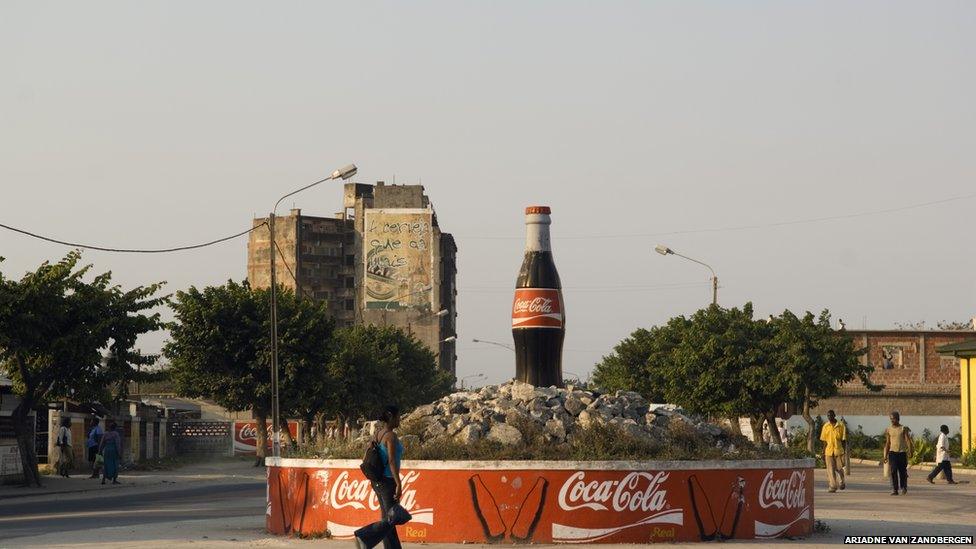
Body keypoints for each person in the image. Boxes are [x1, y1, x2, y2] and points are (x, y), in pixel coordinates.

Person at [354, 405, 404, 549]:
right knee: (391, 518)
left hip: (377, 482)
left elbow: (366, 455)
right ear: (391, 417)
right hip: (388, 481)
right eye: (398, 416)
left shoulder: (377, 434)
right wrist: (398, 483)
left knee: (388, 518)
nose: (399, 419)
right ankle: (363, 535)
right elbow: (392, 461)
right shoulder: (391, 436)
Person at [883, 411, 913, 495]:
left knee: (902, 471)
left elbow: (907, 440)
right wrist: (885, 455)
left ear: (898, 419)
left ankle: (904, 487)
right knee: (893, 471)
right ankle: (894, 489)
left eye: (894, 419)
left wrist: (910, 451)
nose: (892, 420)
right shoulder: (888, 429)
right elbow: (888, 443)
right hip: (892, 453)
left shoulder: (903, 428)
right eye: (891, 419)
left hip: (902, 453)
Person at [819, 410, 846, 493]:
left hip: (839, 451)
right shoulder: (825, 426)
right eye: (828, 416)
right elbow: (824, 440)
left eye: (831, 415)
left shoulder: (841, 426)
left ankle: (842, 481)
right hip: (829, 451)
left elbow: (844, 440)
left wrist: (844, 451)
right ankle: (833, 486)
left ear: (834, 415)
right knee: (830, 470)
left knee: (839, 469)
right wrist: (823, 452)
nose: (829, 417)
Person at [99, 421, 123, 485]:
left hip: (107, 450)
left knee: (106, 465)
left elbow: (102, 443)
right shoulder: (116, 434)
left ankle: (103, 480)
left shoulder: (105, 434)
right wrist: (119, 453)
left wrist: (100, 451)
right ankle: (114, 480)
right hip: (114, 450)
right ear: (115, 427)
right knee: (115, 465)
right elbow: (117, 444)